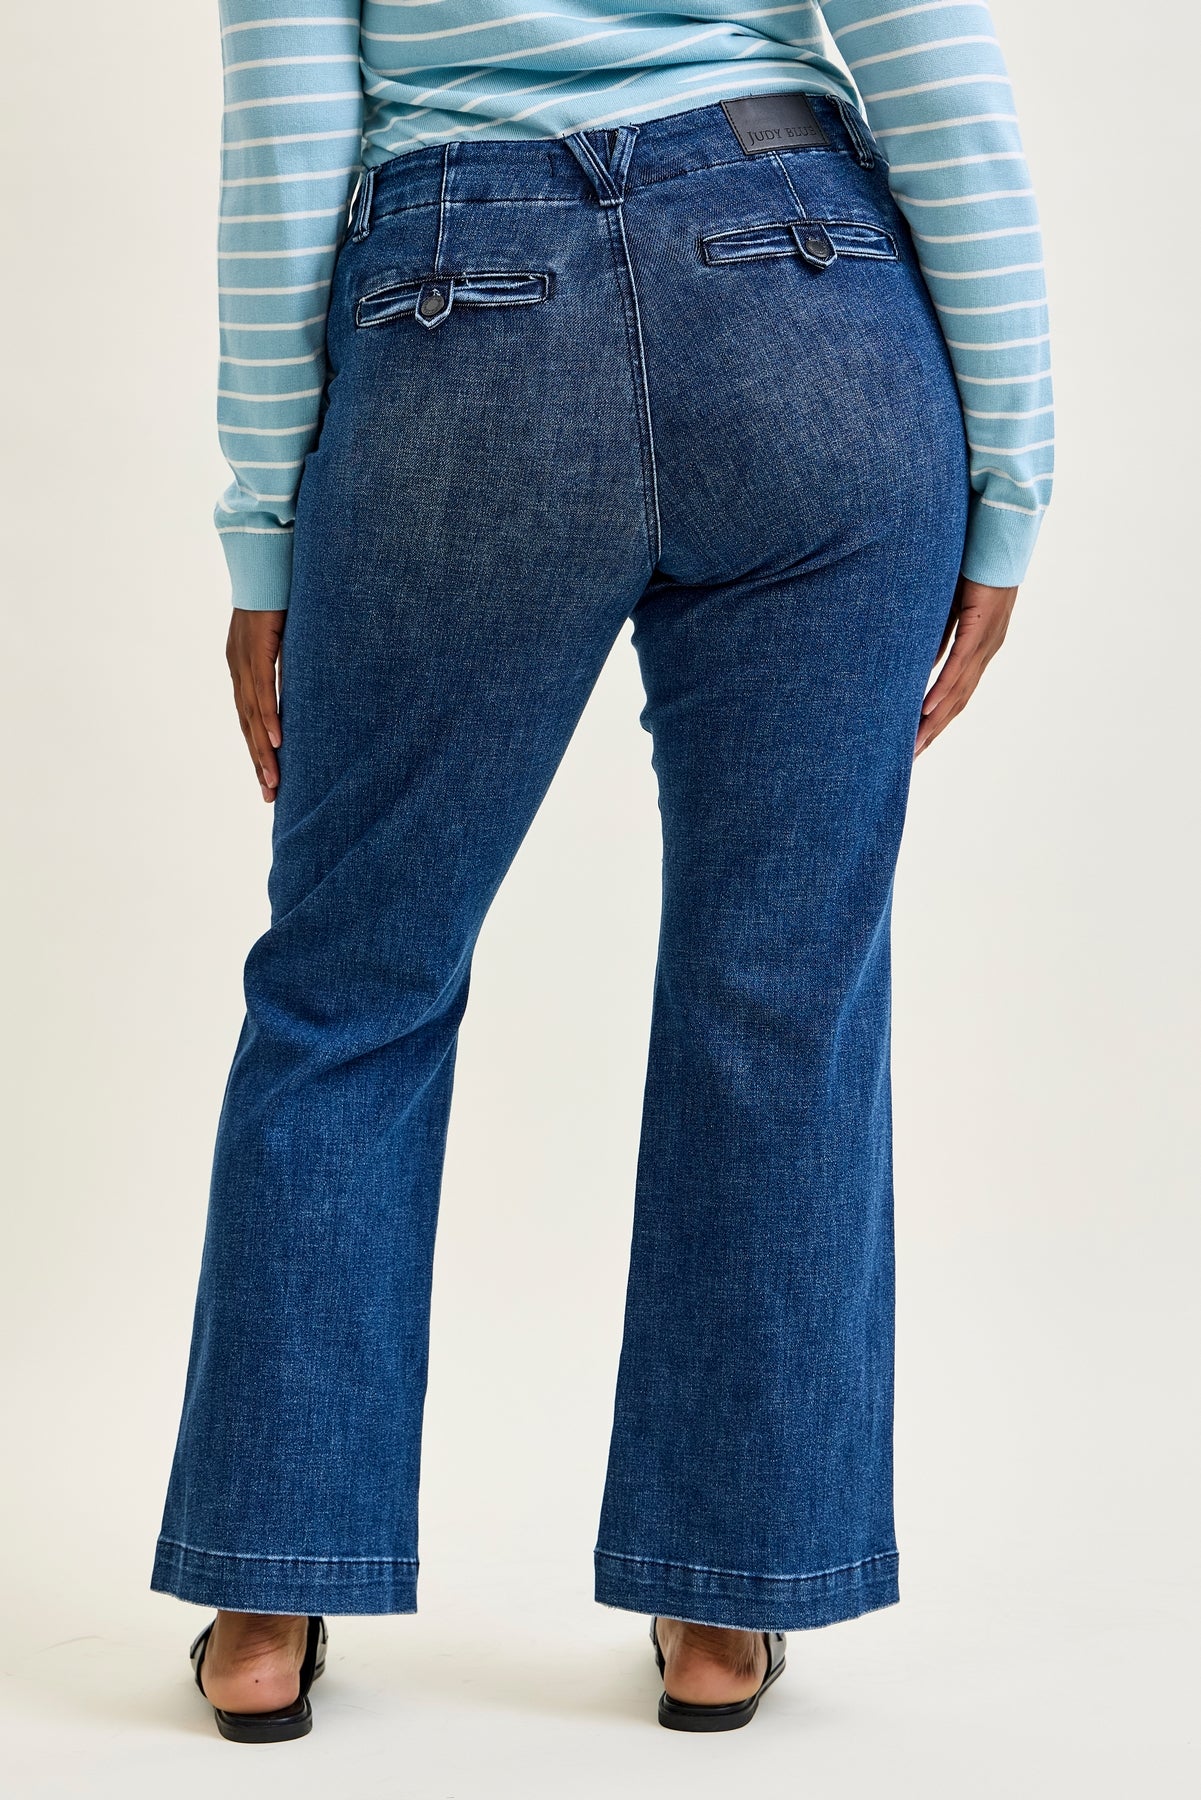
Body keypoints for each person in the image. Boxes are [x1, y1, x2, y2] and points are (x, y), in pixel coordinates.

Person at [152, 0, 1052, 1740]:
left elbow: (283, 147)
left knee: (351, 986)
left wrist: (267, 530)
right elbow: (936, 69)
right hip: (808, 305)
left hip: (460, 315)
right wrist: (1008, 469)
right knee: (777, 995)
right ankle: (724, 1607)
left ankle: (266, 1593)